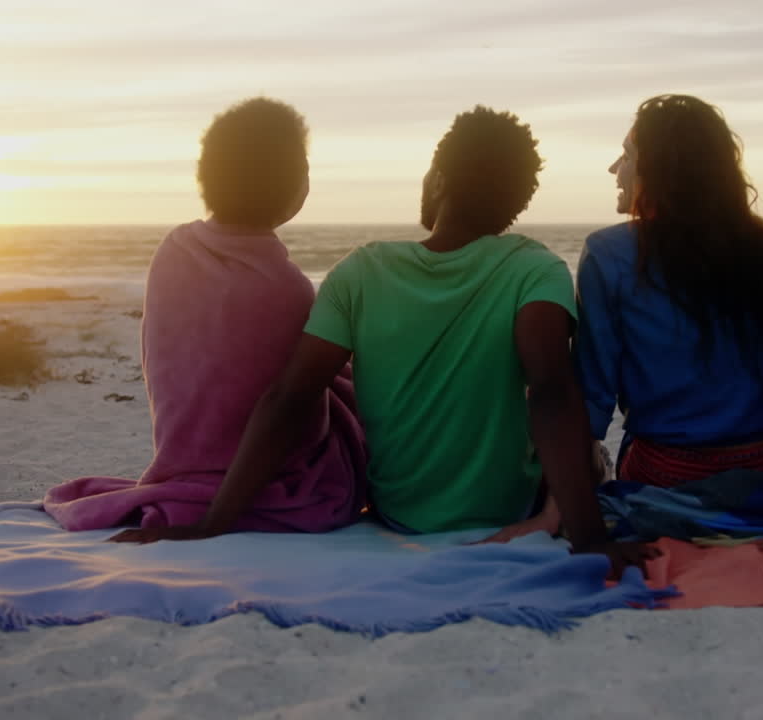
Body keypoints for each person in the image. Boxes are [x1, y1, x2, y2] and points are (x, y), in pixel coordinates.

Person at [114, 105, 655, 576]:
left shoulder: (360, 272)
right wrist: (590, 539)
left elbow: (291, 397)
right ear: (519, 196)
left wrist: (213, 524)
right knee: (589, 452)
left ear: (438, 180)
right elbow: (552, 390)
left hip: (399, 511)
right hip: (508, 508)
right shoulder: (536, 269)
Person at [48, 97, 367, 534]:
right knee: (348, 391)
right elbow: (293, 414)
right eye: (305, 167)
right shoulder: (288, 290)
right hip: (278, 484)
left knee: (332, 374)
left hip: (184, 462)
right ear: (292, 185)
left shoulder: (174, 251)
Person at [574, 94, 763, 488]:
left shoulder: (607, 253)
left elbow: (591, 398)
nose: (615, 168)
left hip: (663, 473)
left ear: (659, 169)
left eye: (627, 155)